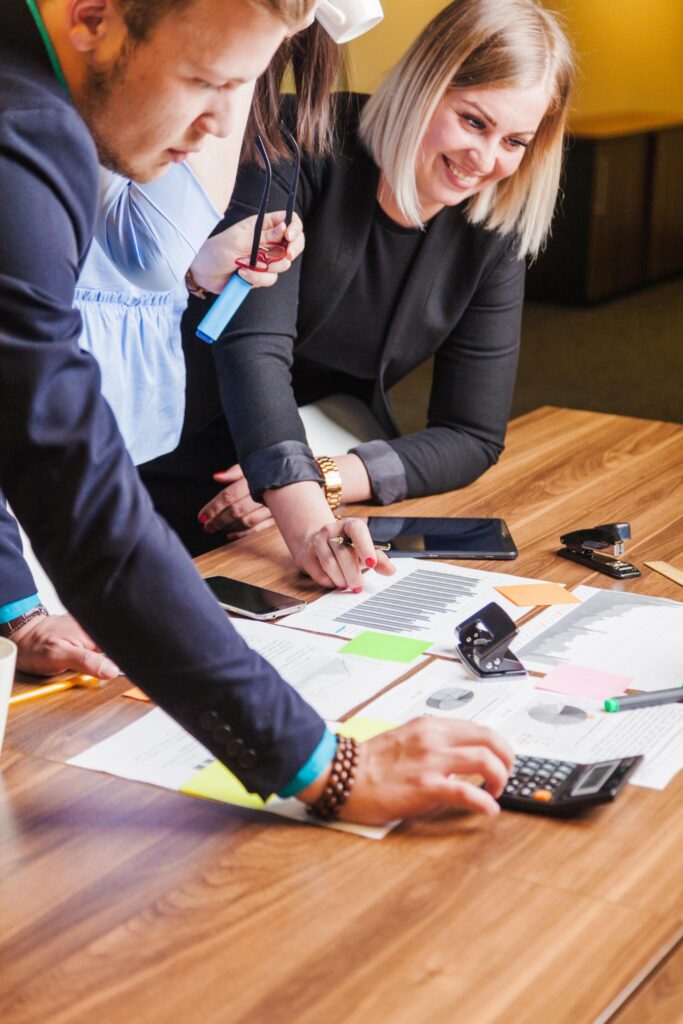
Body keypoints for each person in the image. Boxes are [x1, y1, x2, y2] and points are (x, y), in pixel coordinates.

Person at [0, 0, 513, 825]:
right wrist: (326, 764)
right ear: (91, 16)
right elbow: (71, 481)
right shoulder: (25, 131)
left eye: (240, 90)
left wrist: (15, 607)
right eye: (205, 82)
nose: (213, 132)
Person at [143, 0, 573, 598]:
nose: (485, 160)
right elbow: (254, 347)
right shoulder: (300, 137)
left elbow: (472, 436)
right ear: (425, 84)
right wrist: (306, 510)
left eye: (516, 140)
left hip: (295, 488)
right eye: (474, 121)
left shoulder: (490, 230)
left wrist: (324, 478)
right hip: (177, 465)